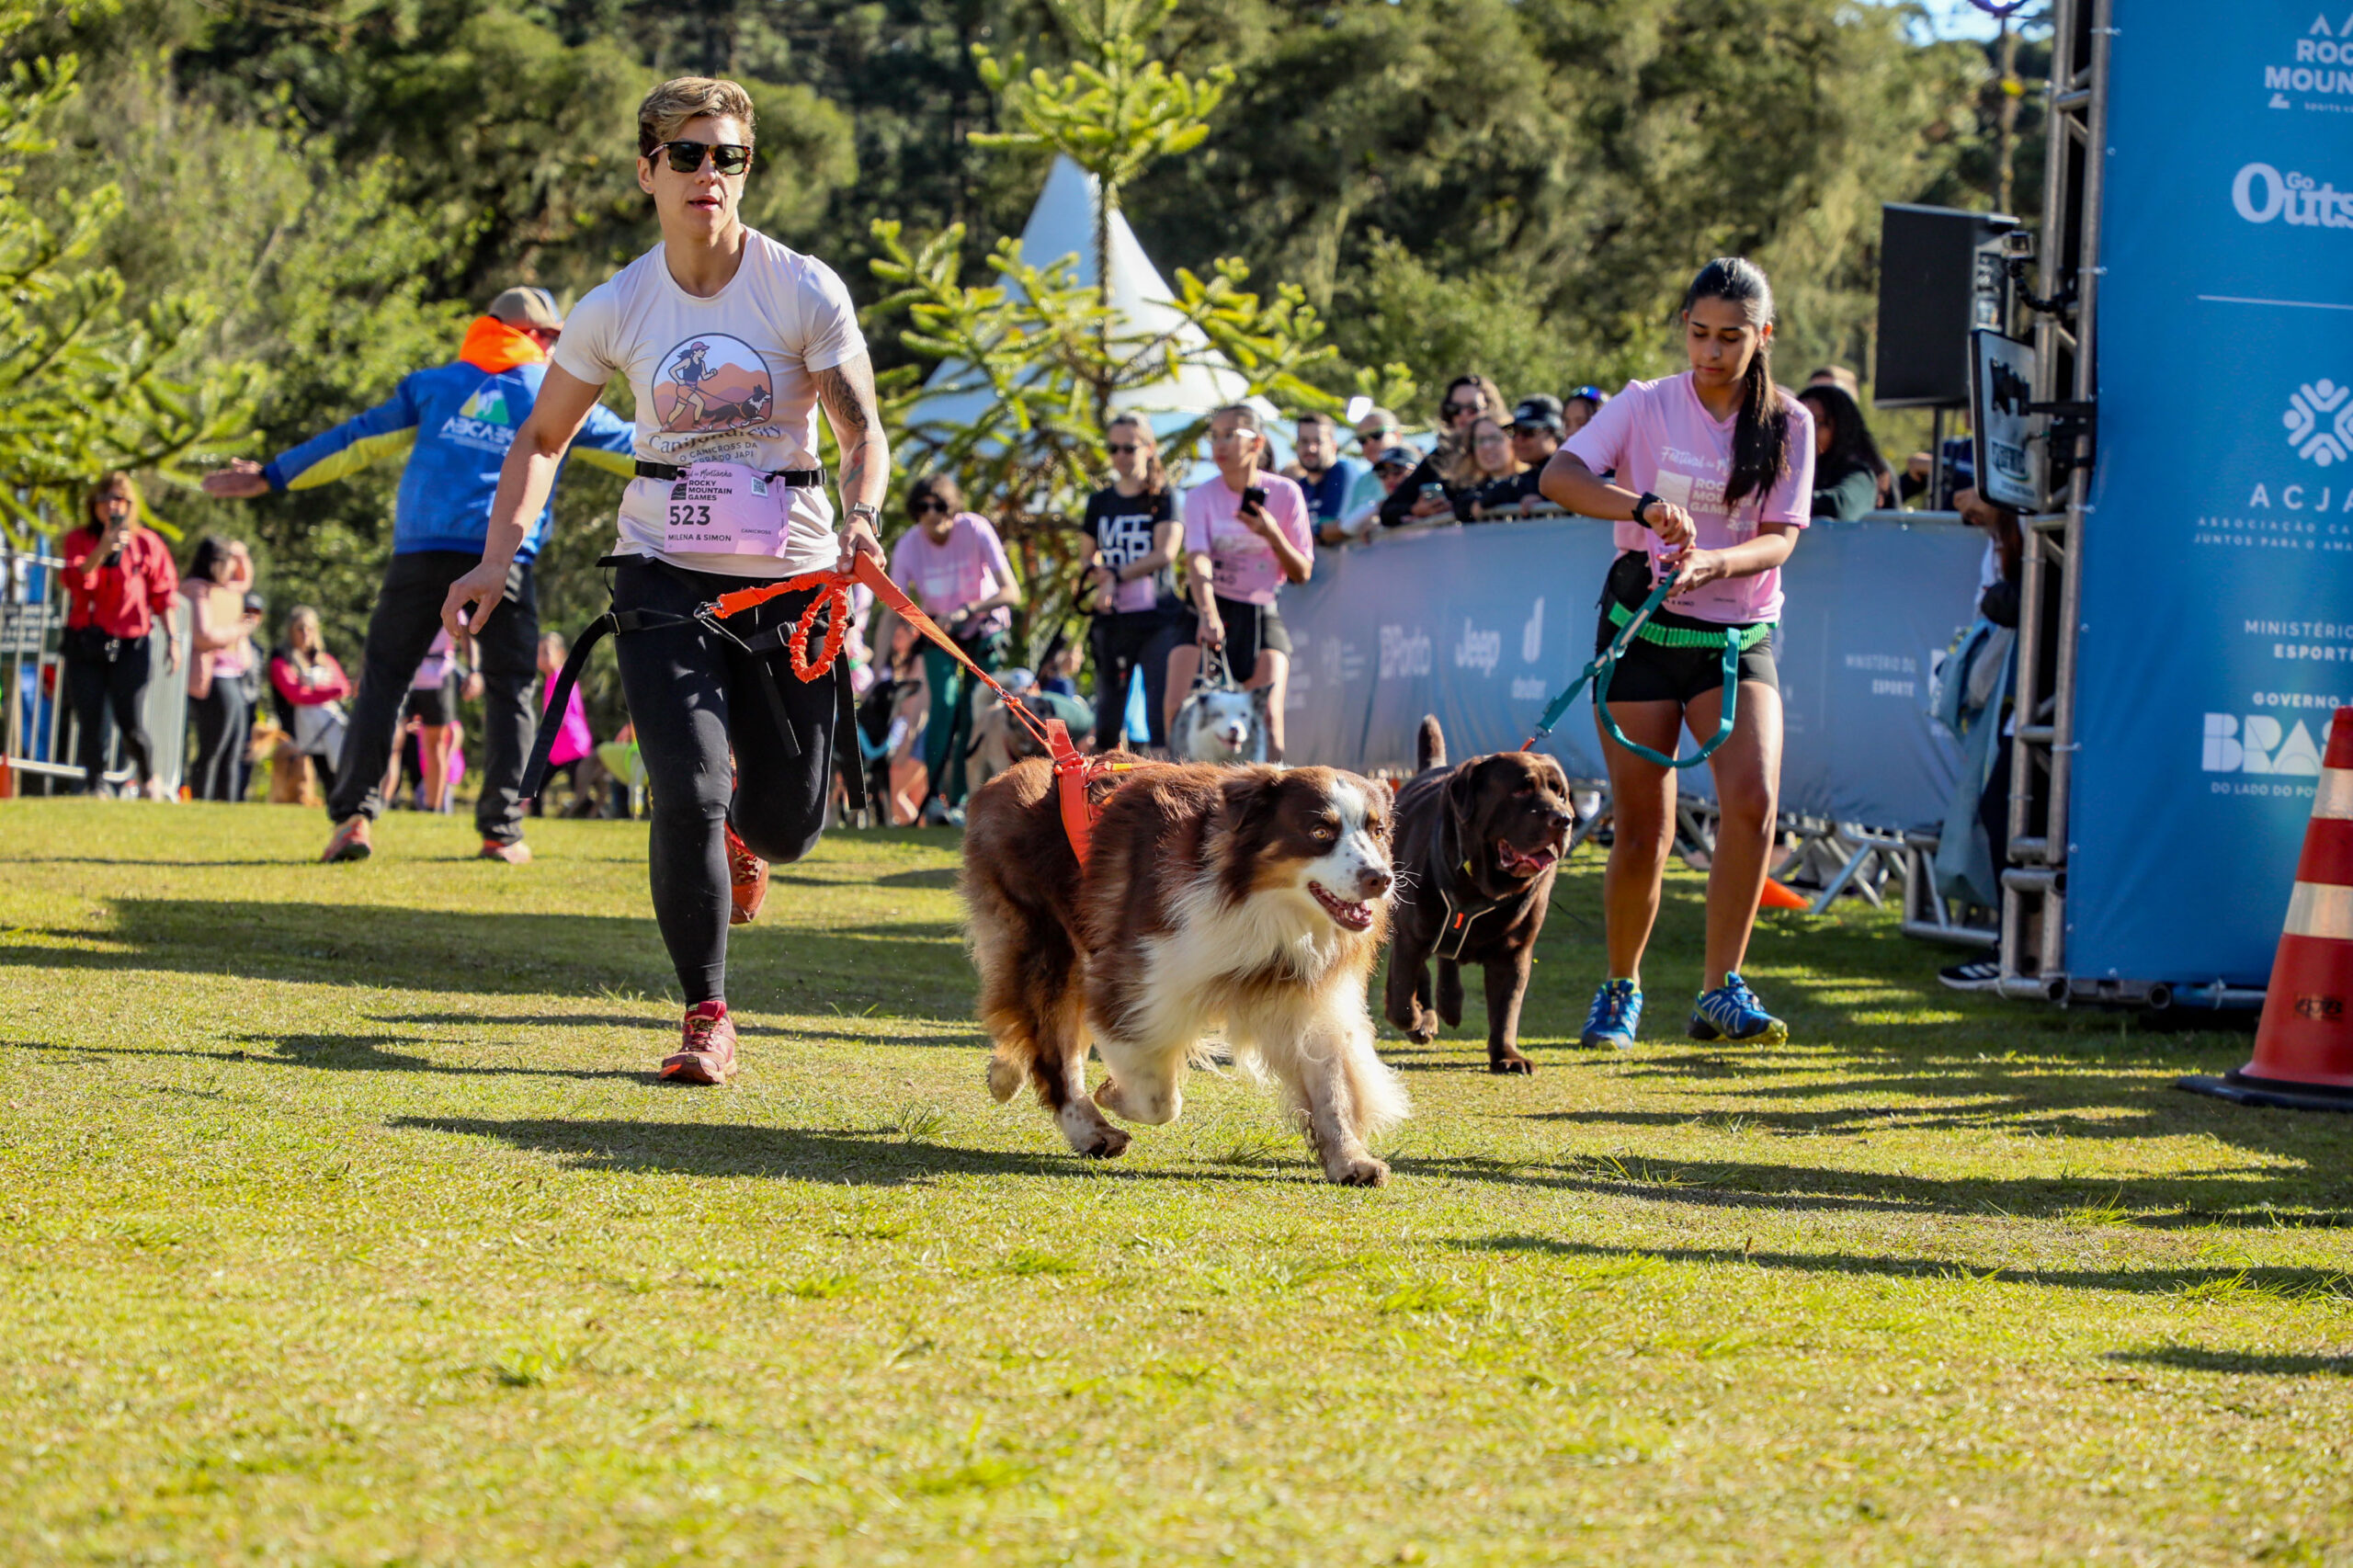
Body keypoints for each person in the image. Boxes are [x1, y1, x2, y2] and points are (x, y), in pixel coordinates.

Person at [438, 74, 892, 1086]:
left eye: (727, 156)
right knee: (684, 789)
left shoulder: (802, 286)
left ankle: (750, 833)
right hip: (660, 572)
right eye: (687, 154)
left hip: (790, 581)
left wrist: (861, 521)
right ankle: (707, 1012)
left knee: (789, 822)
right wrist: (495, 557)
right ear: (648, 170)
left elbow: (863, 432)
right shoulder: (616, 306)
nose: (708, 174)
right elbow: (542, 439)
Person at [204, 287, 637, 865]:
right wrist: (731, 454)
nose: (559, 348)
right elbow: (637, 446)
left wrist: (275, 475)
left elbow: (355, 440)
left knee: (383, 682)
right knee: (512, 691)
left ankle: (354, 819)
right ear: (534, 336)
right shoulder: (553, 391)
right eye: (554, 337)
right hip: (502, 557)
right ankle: (501, 832)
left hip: (420, 554)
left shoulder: (432, 386)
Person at [1539, 256, 1816, 1050]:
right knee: (1642, 827)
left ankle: (1719, 989)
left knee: (1754, 802)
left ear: (1764, 337)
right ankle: (1620, 988)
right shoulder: (1645, 404)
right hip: (1643, 634)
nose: (1712, 351)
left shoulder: (1788, 422)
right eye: (1699, 333)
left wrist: (1716, 563)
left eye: (1732, 337)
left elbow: (1780, 541)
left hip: (1736, 634)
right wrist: (1646, 507)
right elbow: (1561, 475)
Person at [1165, 404, 1313, 760]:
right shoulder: (1200, 496)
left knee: (1268, 716)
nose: (1220, 444)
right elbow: (1196, 557)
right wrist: (1208, 614)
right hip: (1207, 604)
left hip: (1261, 609)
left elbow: (1302, 572)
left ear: (1257, 442)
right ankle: (1177, 801)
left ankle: (1272, 806)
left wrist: (1271, 532)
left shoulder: (1286, 493)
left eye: (1230, 434)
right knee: (1176, 708)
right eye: (1214, 435)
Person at [888, 474, 1020, 824]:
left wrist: (967, 610)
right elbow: (893, 607)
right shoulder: (908, 545)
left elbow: (1011, 592)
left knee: (973, 713)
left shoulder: (975, 529)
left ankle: (966, 802)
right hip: (941, 632)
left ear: (953, 505)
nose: (933, 514)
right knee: (943, 709)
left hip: (984, 627)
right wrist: (881, 660)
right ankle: (935, 801)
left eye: (940, 505)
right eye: (923, 507)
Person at [60, 472, 181, 799]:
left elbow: (163, 593)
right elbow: (76, 578)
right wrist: (103, 549)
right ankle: (95, 784)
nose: (112, 506)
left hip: (131, 642)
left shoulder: (147, 543)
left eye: (120, 500)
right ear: (94, 505)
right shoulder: (80, 540)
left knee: (130, 719)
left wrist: (174, 639)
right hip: (86, 639)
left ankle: (147, 778)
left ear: (130, 505)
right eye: (105, 499)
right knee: (90, 716)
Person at [1079, 415, 1182, 753]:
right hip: (1113, 623)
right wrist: (1098, 578)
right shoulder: (1100, 502)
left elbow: (1165, 552)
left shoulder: (1164, 498)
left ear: (1149, 449)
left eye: (1129, 447)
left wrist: (1116, 576)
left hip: (1158, 620)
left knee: (1158, 713)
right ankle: (1101, 790)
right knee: (1108, 714)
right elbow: (1086, 558)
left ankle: (1163, 787)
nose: (1121, 456)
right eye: (1113, 448)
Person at [182, 535, 262, 801]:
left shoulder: (224, 589)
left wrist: (241, 552)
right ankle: (202, 801)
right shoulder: (196, 589)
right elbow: (203, 636)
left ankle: (225, 806)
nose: (232, 569)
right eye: (228, 561)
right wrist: (241, 629)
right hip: (212, 677)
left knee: (233, 748)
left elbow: (245, 579)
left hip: (233, 675)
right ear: (214, 562)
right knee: (213, 746)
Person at [1380, 373, 1506, 528]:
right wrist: (1416, 510)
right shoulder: (1440, 457)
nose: (1463, 415)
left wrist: (1461, 507)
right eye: (1455, 409)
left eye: (1472, 409)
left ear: (1490, 409)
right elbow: (1388, 510)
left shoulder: (1508, 449)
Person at [269, 606, 353, 792]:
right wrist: (328, 692)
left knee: (334, 775)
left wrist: (314, 690)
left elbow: (344, 688)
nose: (305, 634)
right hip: (299, 731)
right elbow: (294, 695)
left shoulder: (325, 660)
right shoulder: (280, 660)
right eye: (300, 628)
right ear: (290, 631)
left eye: (310, 628)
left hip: (329, 728)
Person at [397, 628, 478, 812]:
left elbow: (466, 634)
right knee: (393, 739)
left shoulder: (451, 599)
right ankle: (380, 801)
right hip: (405, 670)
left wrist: (474, 671)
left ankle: (433, 808)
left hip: (439, 674)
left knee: (436, 744)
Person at [1795, 382, 1887, 521]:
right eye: (1796, 422)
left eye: (1818, 423)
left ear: (1841, 429)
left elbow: (1842, 508)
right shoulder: (1785, 470)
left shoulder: (1858, 473)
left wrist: (1782, 500)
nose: (1804, 430)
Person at [1471, 394, 1565, 517]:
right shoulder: (1533, 476)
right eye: (1514, 431)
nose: (1518, 439)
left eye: (1528, 432)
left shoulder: (1567, 470)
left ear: (1554, 433)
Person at [530, 630, 593, 816]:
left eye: (545, 652)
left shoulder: (560, 678)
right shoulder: (553, 678)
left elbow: (562, 715)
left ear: (560, 654)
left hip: (571, 746)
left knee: (541, 785)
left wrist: (542, 736)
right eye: (538, 653)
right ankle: (537, 817)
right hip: (560, 748)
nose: (540, 658)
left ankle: (597, 814)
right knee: (539, 785)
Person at [1290, 411, 1372, 547]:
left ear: (1333, 446)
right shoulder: (1300, 486)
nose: (1310, 448)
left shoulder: (1342, 471)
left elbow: (1334, 529)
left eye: (1318, 442)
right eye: (1304, 441)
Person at [1458, 415, 1526, 520]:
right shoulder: (1470, 492)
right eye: (1480, 441)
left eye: (1495, 438)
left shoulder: (1535, 482)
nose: (1487, 446)